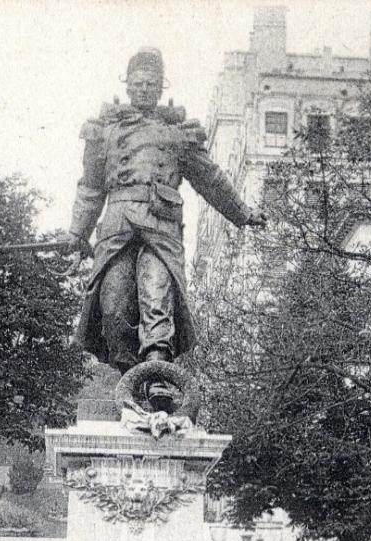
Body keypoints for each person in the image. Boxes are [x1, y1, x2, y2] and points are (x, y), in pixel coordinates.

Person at [67, 46, 264, 405]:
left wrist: (242, 213)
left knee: (157, 293)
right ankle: (134, 379)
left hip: (161, 223)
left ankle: (158, 372)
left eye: (151, 83)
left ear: (161, 86)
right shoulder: (105, 131)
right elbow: (91, 185)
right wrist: (76, 232)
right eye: (138, 82)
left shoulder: (178, 133)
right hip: (117, 225)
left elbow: (210, 178)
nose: (144, 88)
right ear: (128, 85)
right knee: (113, 306)